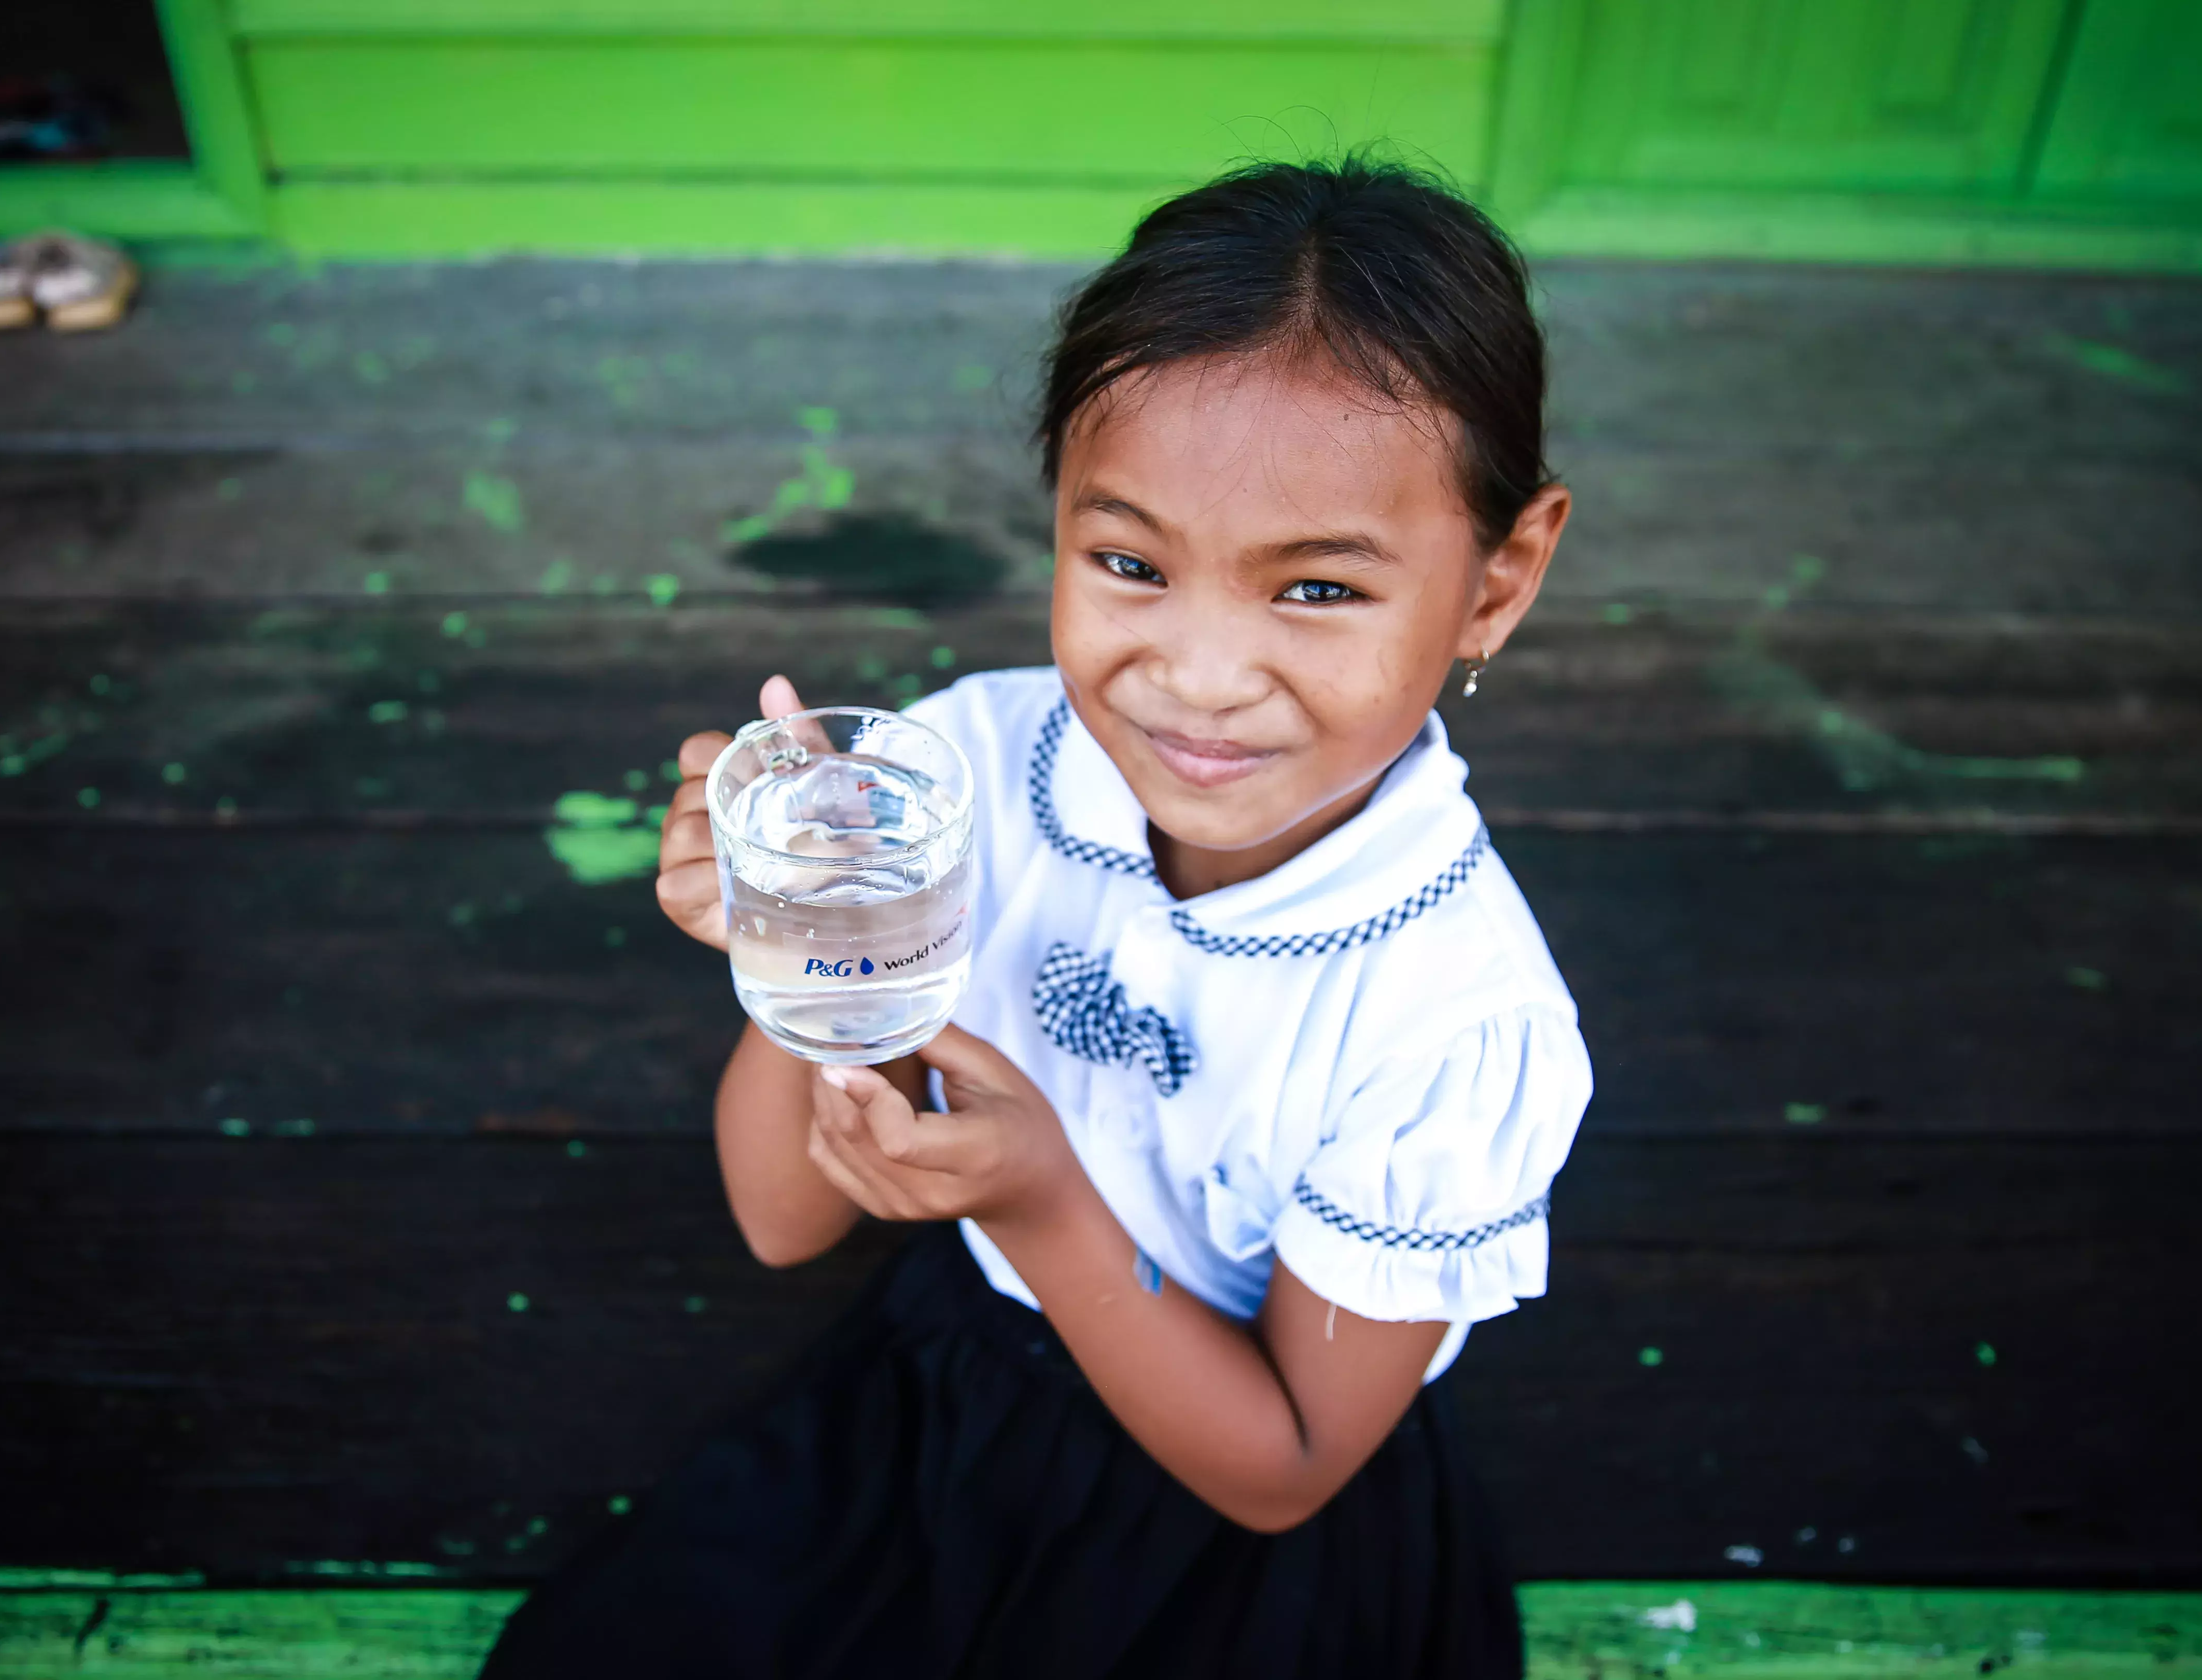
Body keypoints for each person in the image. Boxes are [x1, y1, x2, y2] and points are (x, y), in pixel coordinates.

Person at [481, 155, 1591, 1680]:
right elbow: (780, 1221)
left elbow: (1282, 1470)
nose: (1198, 675)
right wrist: (806, 945)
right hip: (954, 1379)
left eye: (1318, 590)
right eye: (1128, 563)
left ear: (1497, 580)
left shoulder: (1459, 1023)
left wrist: (1039, 1201)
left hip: (1224, 1525)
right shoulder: (976, 772)